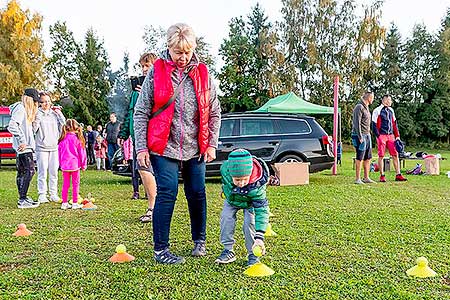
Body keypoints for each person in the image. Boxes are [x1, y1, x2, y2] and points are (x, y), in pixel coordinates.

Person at [134, 23, 221, 264]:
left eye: (187, 52)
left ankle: (199, 240)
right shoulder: (157, 71)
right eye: (177, 52)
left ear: (194, 48)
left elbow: (214, 111)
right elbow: (141, 112)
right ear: (168, 48)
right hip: (164, 146)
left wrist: (211, 144)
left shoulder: (203, 73)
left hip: (196, 146)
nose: (183, 58)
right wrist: (142, 147)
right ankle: (160, 250)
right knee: (167, 192)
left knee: (196, 193)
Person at [118, 53, 158, 214]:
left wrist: (147, 94)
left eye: (147, 66)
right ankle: (151, 206)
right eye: (142, 66)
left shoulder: (161, 86)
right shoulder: (136, 92)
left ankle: (155, 207)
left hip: (155, 137)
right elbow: (131, 113)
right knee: (142, 169)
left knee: (153, 172)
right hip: (138, 138)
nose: (144, 69)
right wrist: (124, 133)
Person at [215, 149, 269, 266]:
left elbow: (262, 211)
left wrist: (259, 237)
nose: (242, 183)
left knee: (249, 223)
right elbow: (226, 184)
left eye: (245, 179)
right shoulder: (226, 172)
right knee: (226, 218)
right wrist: (225, 191)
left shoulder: (257, 187)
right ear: (230, 174)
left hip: (250, 203)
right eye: (237, 180)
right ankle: (228, 250)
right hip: (232, 200)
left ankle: (253, 254)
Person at [8, 88, 40, 208]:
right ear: (29, 99)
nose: (36, 104)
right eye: (35, 101)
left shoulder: (24, 110)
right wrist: (22, 140)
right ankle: (22, 200)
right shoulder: (20, 109)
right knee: (30, 171)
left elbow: (28, 130)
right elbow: (12, 126)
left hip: (25, 148)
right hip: (24, 148)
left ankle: (23, 197)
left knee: (22, 172)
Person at [32, 92, 66, 203]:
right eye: (43, 101)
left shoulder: (54, 114)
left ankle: (53, 194)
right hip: (41, 147)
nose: (46, 103)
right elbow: (33, 129)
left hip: (54, 147)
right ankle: (42, 194)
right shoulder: (37, 113)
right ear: (40, 103)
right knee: (42, 172)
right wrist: (37, 117)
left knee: (54, 172)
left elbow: (63, 125)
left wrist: (59, 114)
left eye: (47, 101)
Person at [371, 95, 407, 182]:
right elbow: (373, 124)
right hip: (382, 135)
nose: (390, 102)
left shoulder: (391, 110)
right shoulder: (377, 110)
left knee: (395, 155)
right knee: (381, 155)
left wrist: (397, 136)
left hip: (391, 136)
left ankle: (398, 174)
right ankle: (382, 175)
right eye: (389, 100)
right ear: (385, 101)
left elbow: (394, 124)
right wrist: (378, 136)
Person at [58, 119, 87, 210]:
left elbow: (59, 154)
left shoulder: (62, 140)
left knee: (65, 185)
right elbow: (82, 153)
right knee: (75, 184)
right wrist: (84, 165)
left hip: (65, 166)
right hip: (75, 165)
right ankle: (75, 203)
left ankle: (64, 203)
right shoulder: (77, 140)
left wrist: (60, 164)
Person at [351, 91, 375, 184]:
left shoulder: (367, 108)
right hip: (359, 135)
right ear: (368, 98)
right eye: (372, 97)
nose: (373, 99)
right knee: (360, 156)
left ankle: (366, 177)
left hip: (367, 135)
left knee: (368, 157)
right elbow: (356, 123)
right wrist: (360, 136)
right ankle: (357, 179)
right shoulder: (359, 107)